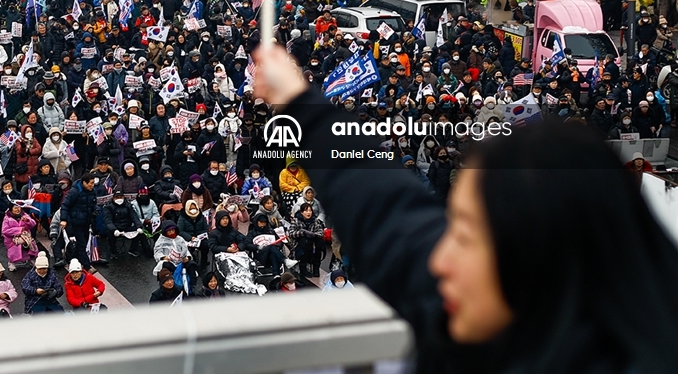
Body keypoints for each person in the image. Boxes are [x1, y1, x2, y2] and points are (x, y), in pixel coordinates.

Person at [252, 43, 678, 374]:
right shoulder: (487, 309)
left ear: (539, 258)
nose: (439, 259)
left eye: (466, 236)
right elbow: (387, 212)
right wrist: (298, 101)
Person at [1, 202, 39, 271]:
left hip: (25, 236)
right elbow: (4, 231)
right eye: (15, 208)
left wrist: (27, 221)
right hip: (12, 239)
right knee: (16, 246)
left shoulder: (24, 215)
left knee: (31, 243)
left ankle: (31, 259)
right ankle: (12, 262)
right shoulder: (7, 218)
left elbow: (33, 224)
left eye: (19, 207)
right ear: (11, 209)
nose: (17, 209)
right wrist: (19, 230)